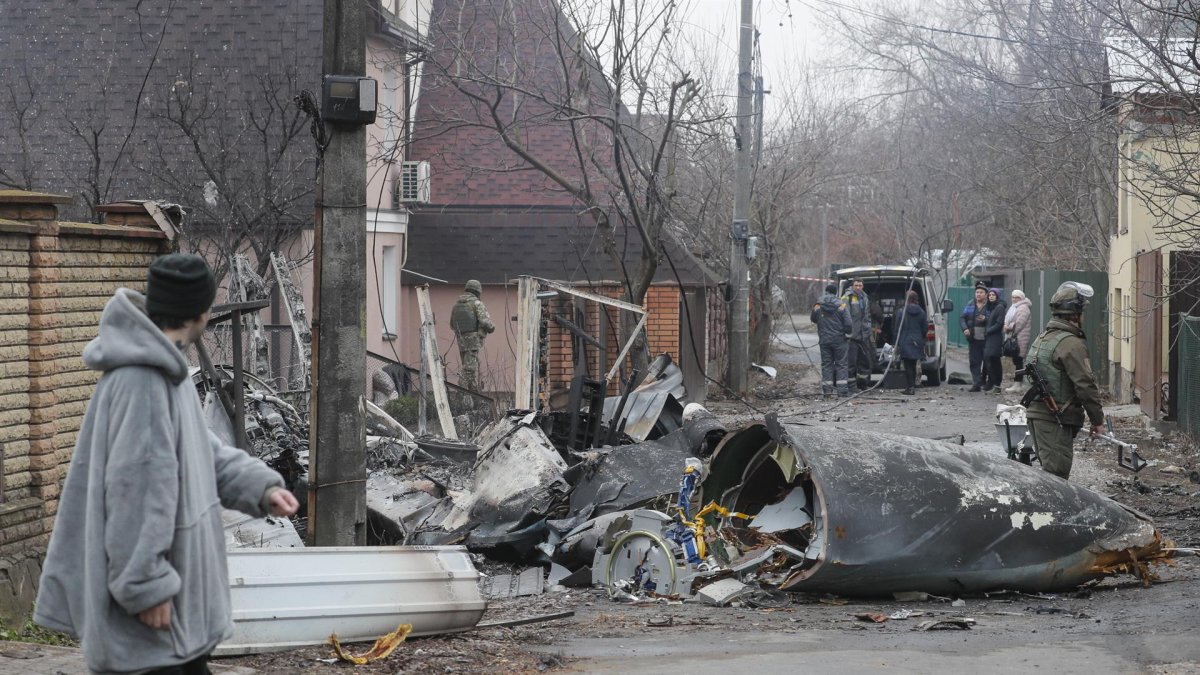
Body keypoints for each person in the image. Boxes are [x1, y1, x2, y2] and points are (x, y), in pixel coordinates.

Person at [35, 254, 300, 674]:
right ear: (200, 313)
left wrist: (261, 488)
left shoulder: (162, 369)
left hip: (169, 608)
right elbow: (134, 489)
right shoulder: (144, 380)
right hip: (151, 611)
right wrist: (146, 586)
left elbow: (203, 453)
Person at [1024, 281, 1105, 480]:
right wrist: (1097, 420)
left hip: (1038, 416)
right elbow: (1085, 385)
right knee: (1056, 478)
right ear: (1076, 315)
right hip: (1054, 419)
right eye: (1082, 311)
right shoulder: (1071, 343)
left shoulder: (1043, 337)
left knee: (1050, 475)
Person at [449, 279, 496, 392]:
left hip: (461, 340)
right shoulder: (477, 303)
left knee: (469, 368)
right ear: (478, 291)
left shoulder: (457, 305)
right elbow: (484, 322)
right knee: (469, 370)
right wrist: (492, 327)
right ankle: (462, 393)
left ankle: (473, 394)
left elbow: (452, 324)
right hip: (473, 340)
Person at [811, 284, 853, 398]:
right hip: (840, 340)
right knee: (841, 364)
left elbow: (813, 319)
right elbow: (849, 323)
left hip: (824, 340)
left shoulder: (818, 305)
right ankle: (842, 391)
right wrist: (846, 333)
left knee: (827, 364)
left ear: (826, 291)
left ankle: (827, 392)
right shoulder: (842, 305)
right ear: (836, 293)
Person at [842, 278, 875, 391]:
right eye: (856, 285)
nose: (858, 288)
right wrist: (848, 332)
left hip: (864, 335)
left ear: (863, 286)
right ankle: (852, 386)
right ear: (852, 286)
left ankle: (863, 384)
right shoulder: (847, 297)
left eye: (860, 285)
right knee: (851, 362)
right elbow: (844, 316)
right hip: (852, 337)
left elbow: (867, 315)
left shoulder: (864, 297)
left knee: (865, 361)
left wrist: (868, 329)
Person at [893, 289, 928, 396]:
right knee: (913, 364)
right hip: (917, 341)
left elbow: (897, 328)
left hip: (905, 340)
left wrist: (896, 342)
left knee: (908, 366)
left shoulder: (901, 312)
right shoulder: (922, 312)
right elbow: (925, 328)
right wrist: (920, 338)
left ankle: (910, 387)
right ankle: (911, 386)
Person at [959, 281, 990, 392]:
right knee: (974, 362)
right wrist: (965, 329)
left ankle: (985, 381)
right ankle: (976, 383)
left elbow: (996, 319)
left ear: (986, 294)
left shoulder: (990, 305)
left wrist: (986, 319)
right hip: (973, 338)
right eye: (977, 292)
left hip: (987, 338)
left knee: (987, 361)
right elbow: (962, 318)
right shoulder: (970, 304)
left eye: (981, 292)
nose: (978, 294)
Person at [1004, 289, 1034, 393]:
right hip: (1016, 337)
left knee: (1019, 360)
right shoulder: (1015, 307)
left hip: (1020, 338)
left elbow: (1019, 324)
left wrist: (1008, 327)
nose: (1014, 299)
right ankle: (1017, 383)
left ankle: (1018, 384)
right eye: (1013, 297)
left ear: (1021, 298)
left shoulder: (1023, 308)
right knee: (1017, 360)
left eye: (1017, 297)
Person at [983, 288, 1007, 392]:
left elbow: (999, 323)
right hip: (990, 338)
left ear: (997, 296)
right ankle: (994, 383)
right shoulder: (992, 308)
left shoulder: (999, 307)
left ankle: (997, 384)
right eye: (990, 295)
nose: (991, 296)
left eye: (993, 295)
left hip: (995, 338)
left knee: (994, 360)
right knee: (991, 360)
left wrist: (988, 330)